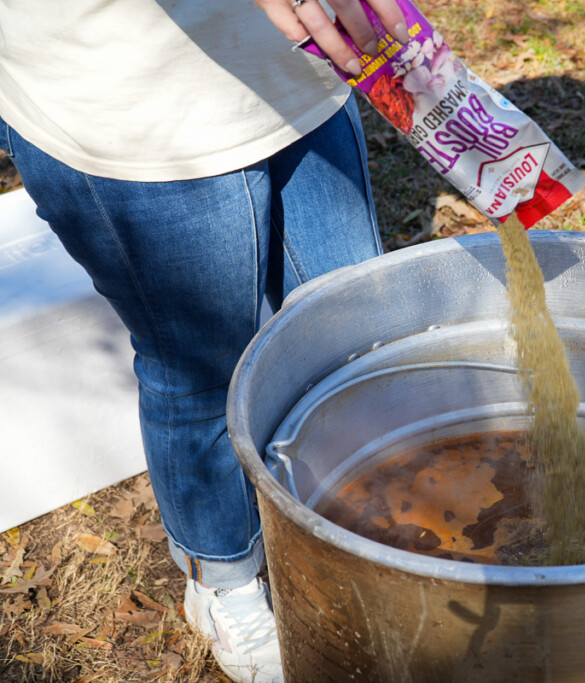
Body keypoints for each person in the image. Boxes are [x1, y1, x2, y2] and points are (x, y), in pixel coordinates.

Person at [0, 1, 407, 680]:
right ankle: (222, 579)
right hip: (130, 99)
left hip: (294, 72)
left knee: (359, 336)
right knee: (202, 370)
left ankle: (349, 525)